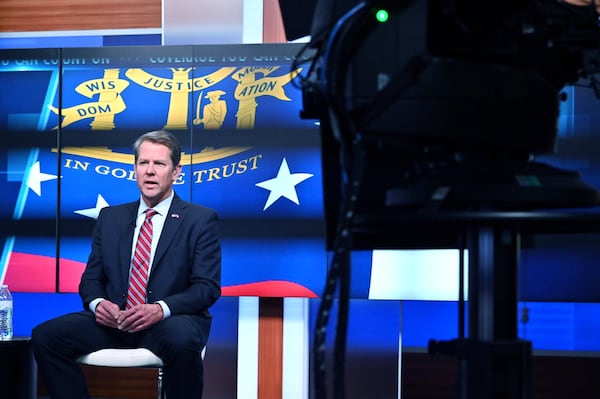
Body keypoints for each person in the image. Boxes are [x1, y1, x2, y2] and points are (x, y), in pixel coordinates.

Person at [32, 130, 222, 399]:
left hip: (168, 323)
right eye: (143, 163)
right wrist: (99, 304)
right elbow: (91, 280)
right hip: (116, 321)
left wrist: (160, 309)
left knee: (183, 341)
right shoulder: (111, 217)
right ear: (134, 169)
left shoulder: (200, 221)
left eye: (159, 164)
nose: (150, 171)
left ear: (176, 171)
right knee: (45, 336)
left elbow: (206, 288)